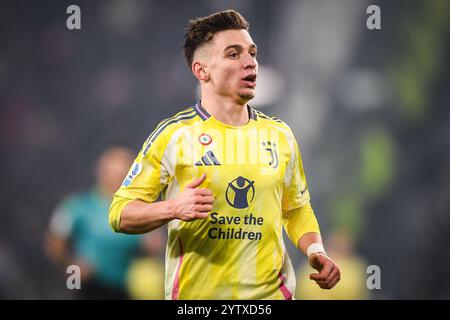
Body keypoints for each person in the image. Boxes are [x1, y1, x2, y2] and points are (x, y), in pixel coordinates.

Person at [109, 9, 340, 300]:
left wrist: (315, 250)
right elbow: (120, 212)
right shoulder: (174, 135)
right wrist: (173, 208)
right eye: (233, 54)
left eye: (252, 53)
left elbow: (295, 208)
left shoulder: (280, 136)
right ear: (201, 70)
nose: (250, 63)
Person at [46, 142, 150, 299]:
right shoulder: (76, 206)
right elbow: (54, 243)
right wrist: (72, 266)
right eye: (115, 174)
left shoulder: (139, 210)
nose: (120, 178)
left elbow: (149, 247)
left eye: (125, 174)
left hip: (124, 290)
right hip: (88, 288)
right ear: (101, 172)